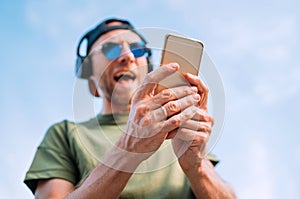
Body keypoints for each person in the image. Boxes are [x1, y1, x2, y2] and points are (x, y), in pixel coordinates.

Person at [24, 17, 236, 199]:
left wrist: (197, 166)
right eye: (110, 48)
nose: (127, 56)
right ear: (90, 78)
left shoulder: (182, 129)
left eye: (137, 49)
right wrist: (130, 149)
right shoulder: (65, 133)